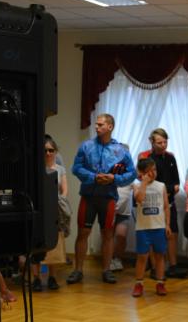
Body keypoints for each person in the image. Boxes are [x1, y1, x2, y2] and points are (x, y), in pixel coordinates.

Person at [69, 113, 136, 284]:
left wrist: (114, 179)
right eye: (96, 124)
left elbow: (132, 174)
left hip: (108, 198)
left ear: (110, 127)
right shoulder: (86, 146)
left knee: (107, 234)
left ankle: (106, 270)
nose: (96, 127)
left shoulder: (121, 150)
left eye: (100, 124)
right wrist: (94, 177)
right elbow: (76, 168)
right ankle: (78, 270)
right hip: (88, 197)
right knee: (83, 233)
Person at [138, 128, 181, 277]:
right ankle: (155, 268)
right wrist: (168, 188)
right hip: (152, 202)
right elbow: (147, 180)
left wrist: (169, 189)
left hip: (169, 201)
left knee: (172, 233)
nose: (163, 145)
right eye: (159, 142)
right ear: (151, 142)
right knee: (153, 234)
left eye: (165, 142)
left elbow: (176, 183)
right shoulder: (146, 158)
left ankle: (173, 266)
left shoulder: (171, 158)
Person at [31, 137, 68, 291]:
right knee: (36, 244)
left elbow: (64, 190)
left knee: (54, 244)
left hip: (54, 211)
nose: (48, 153)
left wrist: (58, 202)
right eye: (45, 150)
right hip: (38, 211)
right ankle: (36, 278)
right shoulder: (35, 169)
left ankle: (52, 277)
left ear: (55, 152)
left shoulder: (60, 169)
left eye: (51, 150)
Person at [131, 158, 171, 298]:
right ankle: (139, 284)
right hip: (143, 228)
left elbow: (166, 207)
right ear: (142, 172)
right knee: (142, 256)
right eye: (149, 171)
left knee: (159, 256)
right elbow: (139, 199)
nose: (153, 173)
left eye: (154, 169)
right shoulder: (137, 185)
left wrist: (167, 224)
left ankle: (160, 283)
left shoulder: (161, 186)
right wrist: (144, 183)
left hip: (159, 227)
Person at [110, 143, 133, 273]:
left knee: (121, 235)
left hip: (123, 212)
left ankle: (118, 258)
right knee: (108, 236)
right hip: (109, 210)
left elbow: (129, 190)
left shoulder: (130, 172)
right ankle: (108, 260)